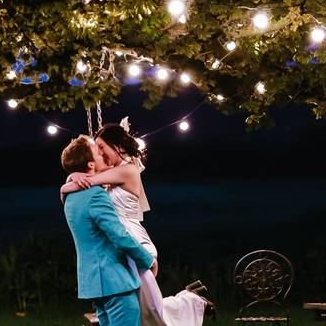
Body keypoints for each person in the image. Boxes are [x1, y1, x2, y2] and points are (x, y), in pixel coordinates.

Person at [61, 122, 214, 326]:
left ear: (117, 146)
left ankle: (194, 302)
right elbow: (113, 226)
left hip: (134, 242)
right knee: (150, 311)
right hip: (122, 253)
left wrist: (69, 181)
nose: (100, 153)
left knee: (152, 311)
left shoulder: (127, 171)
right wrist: (76, 175)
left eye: (102, 147)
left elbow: (90, 181)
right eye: (96, 150)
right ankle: (193, 301)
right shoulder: (99, 188)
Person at [61, 134, 157, 326]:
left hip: (93, 283)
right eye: (97, 152)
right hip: (115, 281)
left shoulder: (69, 197)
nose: (101, 154)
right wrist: (147, 260)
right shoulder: (96, 195)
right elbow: (119, 236)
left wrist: (72, 176)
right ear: (90, 164)